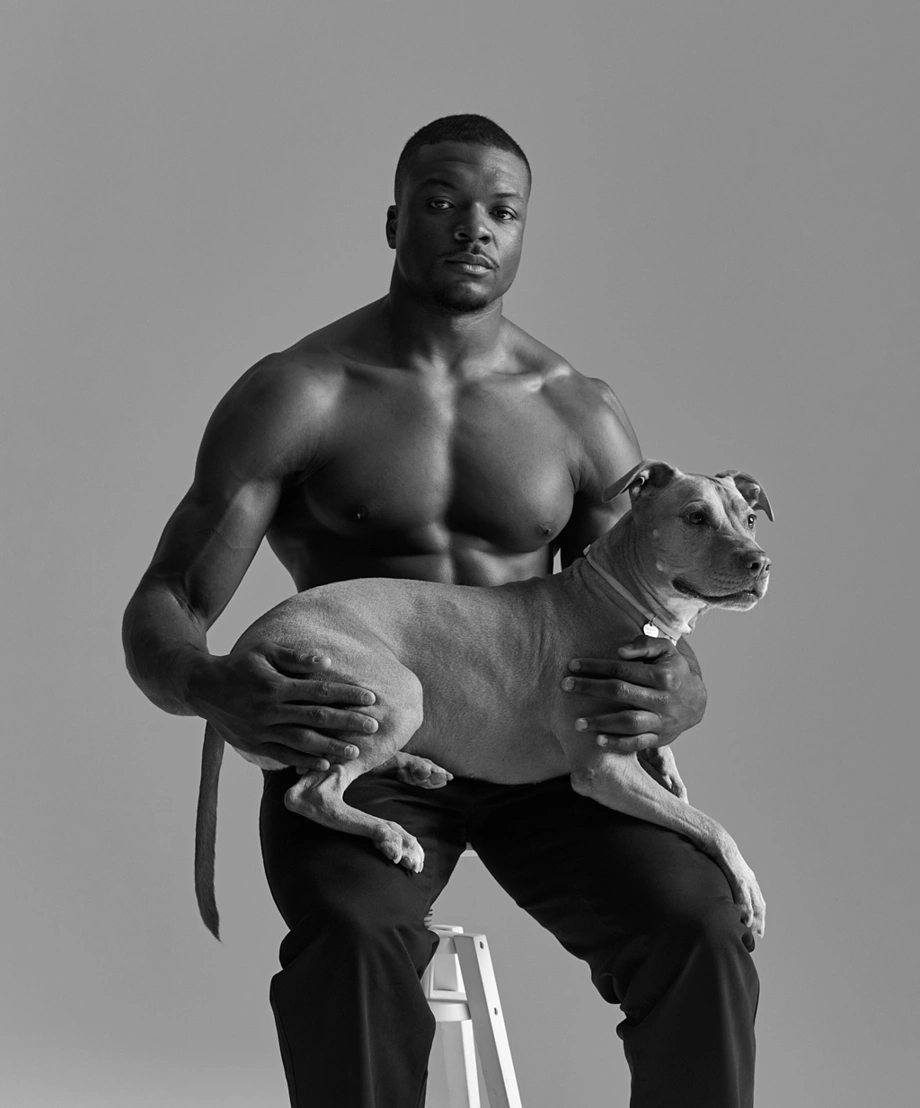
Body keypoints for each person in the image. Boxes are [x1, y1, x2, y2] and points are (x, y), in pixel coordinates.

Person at [123, 114, 758, 1108]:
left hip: (542, 750)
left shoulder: (578, 410)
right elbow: (170, 596)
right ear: (392, 222)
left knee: (700, 926)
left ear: (522, 232)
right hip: (364, 738)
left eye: (501, 212)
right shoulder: (301, 392)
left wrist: (684, 689)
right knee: (353, 941)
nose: (473, 229)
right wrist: (211, 686)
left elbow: (643, 596)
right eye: (441, 203)